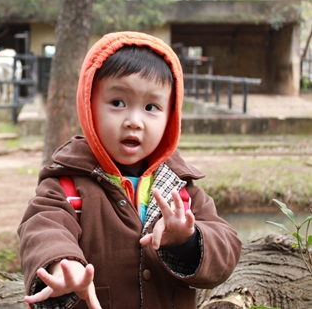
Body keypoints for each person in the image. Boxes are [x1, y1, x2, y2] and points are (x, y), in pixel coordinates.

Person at [17, 31, 242, 309]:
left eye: (151, 107)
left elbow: (227, 247)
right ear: (89, 105)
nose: (134, 121)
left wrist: (188, 240)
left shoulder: (181, 189)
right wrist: (62, 266)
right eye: (117, 103)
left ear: (170, 116)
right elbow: (43, 227)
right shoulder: (67, 184)